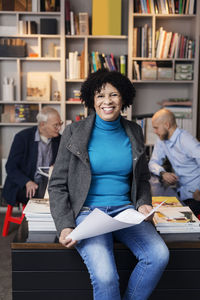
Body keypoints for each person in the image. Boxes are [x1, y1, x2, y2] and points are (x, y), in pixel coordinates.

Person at [49, 69, 169, 300]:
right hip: (88, 214)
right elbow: (57, 185)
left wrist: (143, 204)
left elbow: (142, 178)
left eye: (113, 95)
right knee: (105, 276)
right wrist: (65, 225)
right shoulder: (74, 132)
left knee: (159, 255)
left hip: (125, 212)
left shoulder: (134, 131)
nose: (107, 101)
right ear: (91, 100)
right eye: (100, 95)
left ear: (123, 98)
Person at [3, 106, 62, 206]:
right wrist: (27, 182)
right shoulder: (23, 137)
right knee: (47, 197)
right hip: (25, 184)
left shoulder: (60, 140)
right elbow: (11, 167)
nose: (59, 128)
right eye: (56, 125)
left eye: (60, 124)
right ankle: (41, 221)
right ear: (42, 124)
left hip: (49, 185)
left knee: (66, 195)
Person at [149, 108, 200, 216]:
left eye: (156, 128)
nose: (155, 132)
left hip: (195, 196)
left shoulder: (186, 140)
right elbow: (152, 162)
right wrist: (163, 173)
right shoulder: (162, 139)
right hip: (181, 192)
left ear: (167, 125)